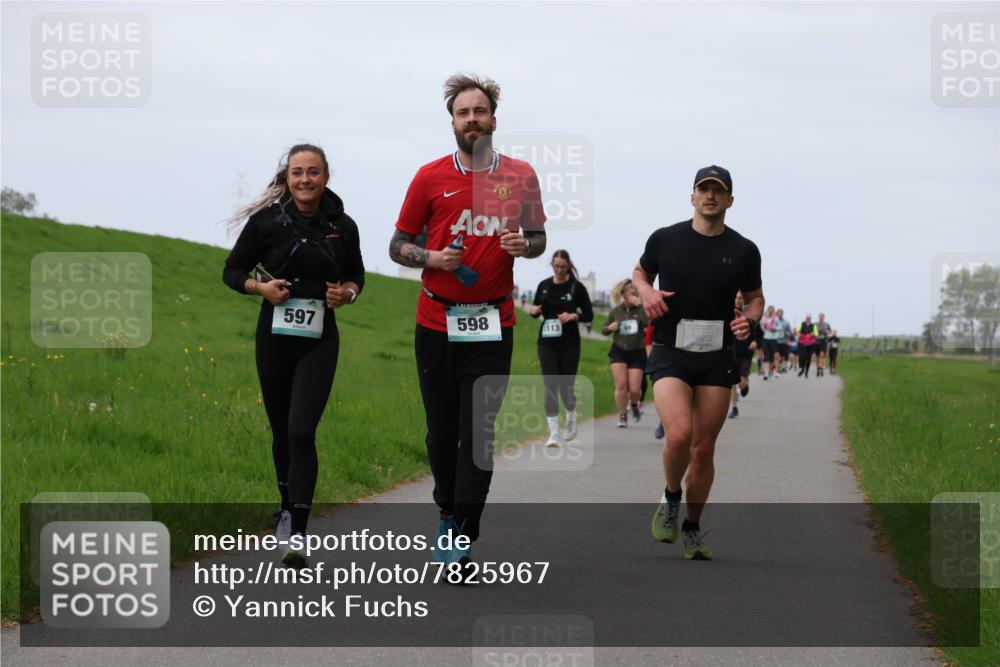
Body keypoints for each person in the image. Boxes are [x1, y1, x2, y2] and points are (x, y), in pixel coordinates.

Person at [388, 73, 546, 576]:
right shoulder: (429, 177)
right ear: (452, 122)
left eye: (479, 111)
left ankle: (460, 532)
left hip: (493, 322)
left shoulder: (520, 176)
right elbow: (396, 246)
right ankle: (445, 511)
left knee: (477, 432)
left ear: (493, 120)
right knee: (441, 433)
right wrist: (430, 255)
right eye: (463, 113)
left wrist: (527, 245)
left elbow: (539, 238)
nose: (472, 120)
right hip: (436, 321)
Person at [223, 144, 365, 567]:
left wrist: (348, 294)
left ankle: (298, 534)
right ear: (287, 177)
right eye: (297, 172)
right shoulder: (266, 222)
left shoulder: (343, 224)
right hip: (274, 336)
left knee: (302, 431)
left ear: (326, 176)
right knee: (281, 431)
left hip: (320, 338)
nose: (305, 180)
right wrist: (259, 288)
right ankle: (286, 507)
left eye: (313, 172)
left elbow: (356, 275)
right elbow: (232, 271)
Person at [635, 165, 763, 561]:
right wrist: (645, 293)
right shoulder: (665, 238)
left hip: (716, 356)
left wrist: (751, 320)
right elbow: (641, 274)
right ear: (692, 197)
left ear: (729, 201)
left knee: (703, 449)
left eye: (718, 190)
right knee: (678, 435)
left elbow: (755, 297)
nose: (710, 195)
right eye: (703, 189)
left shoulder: (744, 250)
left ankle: (692, 527)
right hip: (672, 348)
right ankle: (672, 496)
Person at [529, 250, 594, 447]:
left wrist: (574, 316)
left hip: (569, 342)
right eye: (556, 266)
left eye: (563, 267)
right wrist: (533, 311)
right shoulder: (544, 285)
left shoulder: (577, 287)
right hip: (547, 341)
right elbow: (536, 309)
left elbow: (589, 315)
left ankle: (571, 415)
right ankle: (554, 432)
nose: (559, 270)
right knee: (550, 385)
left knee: (566, 386)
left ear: (568, 266)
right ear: (552, 265)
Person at [602, 279, 649, 428]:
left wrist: (640, 305)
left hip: (637, 352)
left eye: (636, 293)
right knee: (621, 385)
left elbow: (647, 323)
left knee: (635, 389)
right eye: (632, 293)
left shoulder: (640, 310)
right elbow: (603, 330)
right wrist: (610, 327)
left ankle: (634, 404)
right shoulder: (616, 312)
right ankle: (622, 416)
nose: (635, 296)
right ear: (623, 294)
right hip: (619, 351)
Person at [729, 292, 759, 418]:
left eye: (740, 298)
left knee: (742, 382)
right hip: (731, 352)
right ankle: (734, 408)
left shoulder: (749, 314)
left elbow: (758, 332)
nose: (738, 300)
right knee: (732, 383)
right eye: (736, 298)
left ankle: (745, 386)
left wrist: (755, 342)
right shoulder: (727, 313)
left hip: (745, 353)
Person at [760, 304, 781, 380]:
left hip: (774, 339)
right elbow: (761, 327)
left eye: (771, 310)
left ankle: (772, 372)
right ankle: (766, 373)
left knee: (772, 357)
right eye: (769, 310)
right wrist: (765, 331)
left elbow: (780, 327)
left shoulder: (776, 319)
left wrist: (774, 328)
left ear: (773, 311)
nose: (770, 311)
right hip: (765, 338)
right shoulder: (764, 318)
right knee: (766, 355)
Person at [814, 312, 832, 377]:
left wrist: (828, 332)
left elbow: (830, 331)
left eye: (822, 316)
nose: (821, 317)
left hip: (824, 341)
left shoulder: (827, 324)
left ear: (824, 317)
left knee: (822, 355)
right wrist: (814, 334)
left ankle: (820, 367)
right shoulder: (815, 324)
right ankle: (818, 368)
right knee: (817, 356)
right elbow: (812, 331)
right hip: (816, 342)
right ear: (818, 317)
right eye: (820, 316)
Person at [777, 308, 793, 373]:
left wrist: (785, 332)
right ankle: (780, 367)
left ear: (783, 314)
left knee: (783, 356)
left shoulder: (787, 322)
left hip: (784, 341)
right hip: (776, 341)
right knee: (778, 355)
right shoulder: (774, 321)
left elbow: (790, 333)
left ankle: (784, 367)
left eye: (781, 313)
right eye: (778, 313)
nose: (779, 314)